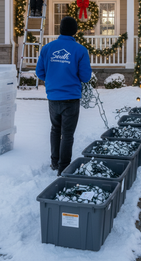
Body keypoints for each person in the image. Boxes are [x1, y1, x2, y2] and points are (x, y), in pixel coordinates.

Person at [36, 16, 92, 176]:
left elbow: (39, 71)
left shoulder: (47, 48)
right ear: (75, 31)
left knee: (55, 129)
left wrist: (54, 80)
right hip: (71, 98)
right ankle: (63, 168)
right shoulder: (80, 50)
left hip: (53, 97)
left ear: (60, 29)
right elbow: (86, 77)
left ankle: (55, 162)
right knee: (67, 134)